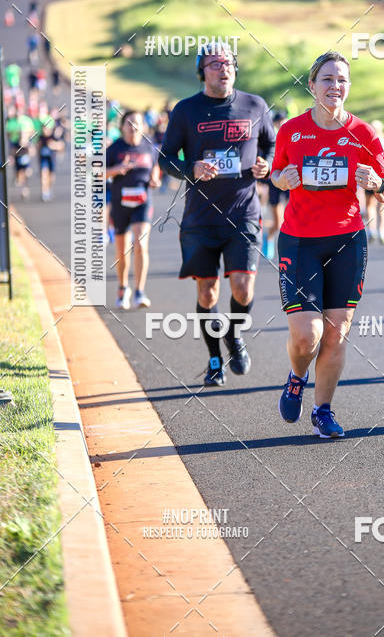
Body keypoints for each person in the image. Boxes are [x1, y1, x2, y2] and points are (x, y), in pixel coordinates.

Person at [271, 51, 384, 438]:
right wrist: (282, 179)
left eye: (341, 79)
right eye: (327, 79)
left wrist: (376, 183)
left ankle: (323, 410)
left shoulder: (365, 134)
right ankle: (296, 376)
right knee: (307, 335)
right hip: (299, 239)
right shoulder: (292, 130)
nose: (334, 86)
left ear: (349, 86)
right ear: (312, 85)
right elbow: (276, 173)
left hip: (346, 239)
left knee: (336, 333)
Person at [159, 46, 276, 386]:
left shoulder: (255, 105)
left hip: (243, 213)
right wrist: (189, 168)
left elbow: (270, 144)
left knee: (242, 288)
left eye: (228, 64)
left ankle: (234, 336)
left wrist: (265, 164)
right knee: (208, 294)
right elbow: (165, 158)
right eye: (214, 65)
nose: (223, 69)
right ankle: (214, 359)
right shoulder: (186, 110)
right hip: (200, 219)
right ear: (202, 72)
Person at [106, 110, 161, 310]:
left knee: (140, 244)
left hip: (142, 203)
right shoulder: (114, 149)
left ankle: (139, 290)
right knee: (122, 252)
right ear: (122, 127)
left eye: (137, 123)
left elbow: (155, 166)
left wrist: (155, 178)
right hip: (120, 204)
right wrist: (116, 169)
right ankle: (122, 288)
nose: (133, 127)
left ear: (143, 126)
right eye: (129, 123)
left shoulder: (149, 148)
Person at [262, 110, 288, 260]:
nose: (281, 124)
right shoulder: (271, 139)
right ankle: (269, 237)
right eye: (279, 122)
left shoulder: (294, 135)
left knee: (297, 220)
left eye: (283, 121)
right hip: (275, 182)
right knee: (278, 223)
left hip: (292, 182)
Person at [364, 119, 384, 244]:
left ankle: (372, 231)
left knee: (370, 205)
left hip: (370, 176)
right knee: (383, 207)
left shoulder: (368, 142)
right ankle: (383, 231)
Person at [5, 105, 35, 198]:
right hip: (15, 147)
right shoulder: (11, 122)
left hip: (25, 147)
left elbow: (32, 132)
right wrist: (10, 153)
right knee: (19, 171)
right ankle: (19, 180)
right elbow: (8, 136)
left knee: (26, 169)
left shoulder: (27, 120)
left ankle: (25, 189)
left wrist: (29, 142)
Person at [37, 112, 65, 201]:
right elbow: (37, 146)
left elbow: (61, 145)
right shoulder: (41, 137)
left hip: (52, 158)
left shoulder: (54, 136)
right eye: (44, 128)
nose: (46, 130)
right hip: (43, 159)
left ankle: (49, 188)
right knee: (44, 174)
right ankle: (44, 192)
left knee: (51, 176)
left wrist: (53, 145)